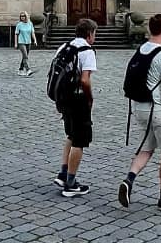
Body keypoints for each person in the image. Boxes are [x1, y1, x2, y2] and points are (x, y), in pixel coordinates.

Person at [118, 13, 161, 211]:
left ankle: (129, 180)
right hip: (157, 110)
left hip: (139, 108)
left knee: (146, 148)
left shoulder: (141, 49)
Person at [52, 18, 97, 198]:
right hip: (78, 99)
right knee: (79, 140)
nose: (95, 37)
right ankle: (70, 183)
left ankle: (64, 172)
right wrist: (90, 97)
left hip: (62, 98)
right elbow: (85, 80)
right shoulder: (87, 51)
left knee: (71, 134)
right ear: (89, 34)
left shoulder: (65, 46)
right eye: (94, 34)